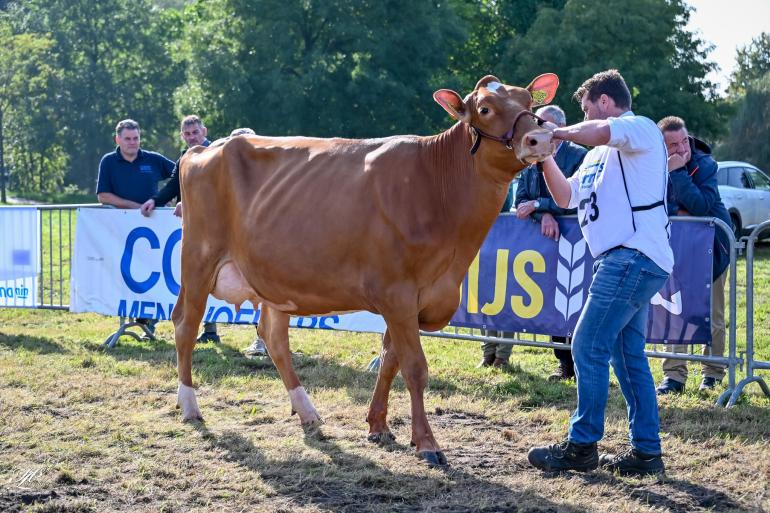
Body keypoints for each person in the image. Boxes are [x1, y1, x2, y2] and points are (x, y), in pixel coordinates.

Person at [528, 70, 672, 476]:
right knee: (627, 359)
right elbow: (566, 196)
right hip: (626, 259)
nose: (583, 117)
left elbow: (597, 130)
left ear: (605, 102)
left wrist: (556, 131)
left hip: (631, 256)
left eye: (587, 107)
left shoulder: (638, 128)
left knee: (587, 346)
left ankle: (582, 445)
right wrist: (545, 156)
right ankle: (647, 454)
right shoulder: (595, 156)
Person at [655, 116, 730, 394]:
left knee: (713, 313)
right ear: (662, 147)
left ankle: (713, 372)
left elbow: (701, 207)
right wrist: (679, 212)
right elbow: (657, 207)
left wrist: (677, 173)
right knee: (675, 310)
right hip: (676, 249)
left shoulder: (706, 164)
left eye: (684, 141)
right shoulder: (653, 167)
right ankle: (674, 376)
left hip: (713, 250)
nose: (681, 148)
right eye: (673, 144)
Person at [514, 105, 587, 381]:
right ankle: (562, 363)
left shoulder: (580, 157)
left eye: (543, 125)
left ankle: (580, 364)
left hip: (579, 245)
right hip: (544, 248)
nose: (538, 129)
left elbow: (578, 199)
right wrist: (542, 213)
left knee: (578, 305)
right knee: (555, 305)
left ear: (558, 130)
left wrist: (541, 205)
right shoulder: (531, 157)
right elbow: (519, 202)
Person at [139, 115, 224, 344]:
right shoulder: (185, 157)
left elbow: (220, 192)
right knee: (194, 278)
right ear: (181, 135)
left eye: (195, 132)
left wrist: (187, 203)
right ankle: (199, 328)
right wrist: (155, 200)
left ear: (204, 131)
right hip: (194, 231)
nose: (191, 137)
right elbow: (173, 185)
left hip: (219, 232)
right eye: (187, 134)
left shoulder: (218, 153)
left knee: (210, 278)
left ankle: (210, 329)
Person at [97, 119, 176, 337]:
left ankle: (148, 320)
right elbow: (103, 195)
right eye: (128, 139)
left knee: (153, 273)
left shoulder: (153, 159)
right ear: (118, 139)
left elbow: (181, 176)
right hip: (120, 231)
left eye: (136, 138)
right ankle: (131, 318)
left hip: (155, 230)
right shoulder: (108, 162)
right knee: (127, 275)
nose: (133, 143)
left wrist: (167, 197)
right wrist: (136, 207)